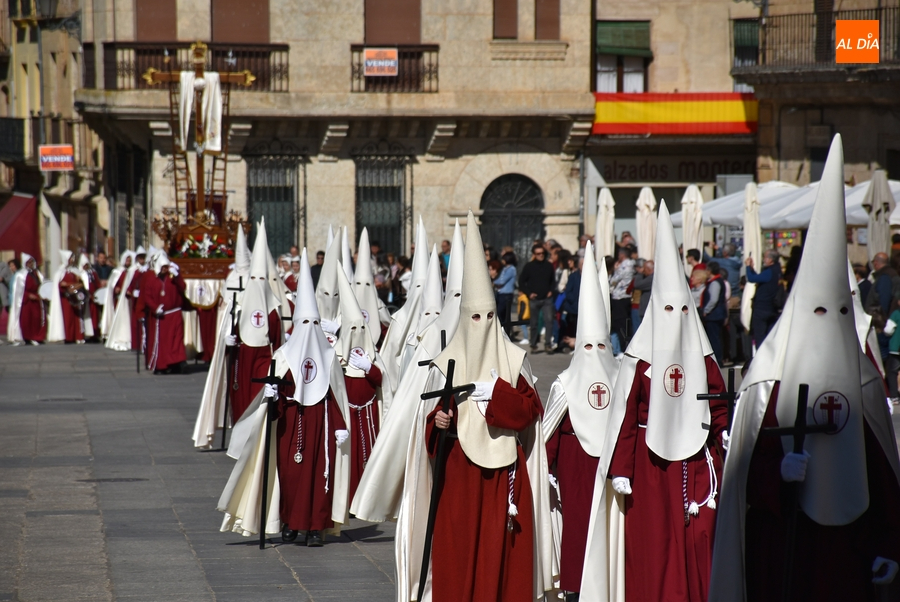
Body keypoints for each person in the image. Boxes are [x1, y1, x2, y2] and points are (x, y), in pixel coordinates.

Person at [710, 135, 900, 602]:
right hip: (784, 546)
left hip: (850, 551)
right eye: (818, 311)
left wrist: (889, 545)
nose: (827, 323)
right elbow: (742, 476)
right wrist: (777, 473)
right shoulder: (767, 379)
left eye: (836, 313)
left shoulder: (863, 381)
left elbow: (883, 473)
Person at [396, 210, 553, 602]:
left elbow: (531, 410)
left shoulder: (515, 360)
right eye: (475, 317)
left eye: (488, 317)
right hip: (459, 472)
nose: (481, 324)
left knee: (502, 555)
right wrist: (441, 420)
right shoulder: (447, 360)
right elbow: (430, 421)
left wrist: (496, 393)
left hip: (505, 474)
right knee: (459, 550)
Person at [606, 202, 727, 602]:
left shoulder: (704, 357)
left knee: (698, 539)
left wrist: (725, 435)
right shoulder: (640, 360)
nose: (674, 316)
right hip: (649, 462)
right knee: (653, 543)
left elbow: (718, 402)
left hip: (696, 460)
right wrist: (621, 468)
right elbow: (624, 418)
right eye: (667, 309)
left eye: (681, 309)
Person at [544, 242, 623, 601]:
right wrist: (547, 464)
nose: (594, 355)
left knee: (611, 526)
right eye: (587, 347)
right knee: (578, 527)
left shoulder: (622, 375)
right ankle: (576, 588)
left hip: (610, 464)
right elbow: (554, 427)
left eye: (600, 347)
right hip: (575, 467)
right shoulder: (565, 382)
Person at [273, 248, 351, 546]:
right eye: (305, 324)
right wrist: (272, 395)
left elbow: (335, 393)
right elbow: (274, 392)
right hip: (291, 422)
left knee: (320, 475)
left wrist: (341, 424)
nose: (310, 330)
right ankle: (291, 522)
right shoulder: (282, 355)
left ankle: (316, 527)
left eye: (314, 324)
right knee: (290, 476)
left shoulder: (329, 356)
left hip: (322, 422)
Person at [336, 265, 388, 501]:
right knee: (349, 455)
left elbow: (381, 381)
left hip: (368, 413)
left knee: (367, 454)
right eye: (352, 329)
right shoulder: (338, 355)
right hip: (347, 412)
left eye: (361, 328)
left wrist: (369, 368)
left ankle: (366, 496)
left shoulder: (372, 355)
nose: (357, 332)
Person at [225, 219, 283, 420]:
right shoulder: (239, 304)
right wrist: (228, 340)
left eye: (261, 280)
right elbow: (230, 329)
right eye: (254, 280)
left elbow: (277, 339)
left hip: (264, 358)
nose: (257, 285)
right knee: (241, 396)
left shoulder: (273, 310)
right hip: (242, 358)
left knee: (258, 398)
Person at [142, 252, 187, 374]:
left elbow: (183, 288)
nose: (165, 269)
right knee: (163, 342)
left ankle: (176, 364)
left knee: (176, 341)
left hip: (175, 314)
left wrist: (177, 277)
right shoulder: (152, 280)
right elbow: (147, 297)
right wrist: (155, 308)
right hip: (161, 317)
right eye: (163, 267)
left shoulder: (173, 278)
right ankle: (161, 365)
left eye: (166, 267)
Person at [519, 243, 556, 354]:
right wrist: (529, 293)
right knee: (534, 323)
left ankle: (548, 344)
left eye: (542, 253)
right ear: (534, 254)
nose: (541, 255)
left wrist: (551, 291)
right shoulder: (529, 266)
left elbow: (553, 281)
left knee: (549, 321)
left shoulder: (549, 266)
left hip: (547, 299)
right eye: (538, 253)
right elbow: (521, 282)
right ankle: (534, 344)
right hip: (534, 299)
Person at [745, 250, 783, 347]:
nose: (763, 259)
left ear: (771, 260)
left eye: (765, 257)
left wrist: (747, 267)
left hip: (762, 308)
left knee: (760, 336)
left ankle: (760, 359)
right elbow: (759, 278)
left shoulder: (770, 271)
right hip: (772, 307)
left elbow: (751, 279)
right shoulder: (777, 270)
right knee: (770, 336)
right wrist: (751, 268)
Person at [49, 250, 86, 344]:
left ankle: (74, 336)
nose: (72, 260)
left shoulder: (72, 271)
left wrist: (75, 284)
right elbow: (59, 284)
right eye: (70, 258)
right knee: (67, 318)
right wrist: (68, 285)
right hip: (64, 298)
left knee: (74, 317)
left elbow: (78, 282)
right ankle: (67, 336)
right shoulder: (60, 272)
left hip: (73, 297)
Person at [14, 253, 46, 345]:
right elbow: (19, 291)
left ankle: (37, 337)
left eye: (32, 262)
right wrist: (27, 295)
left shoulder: (37, 273)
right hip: (26, 301)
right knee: (27, 320)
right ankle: (27, 337)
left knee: (37, 318)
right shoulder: (21, 275)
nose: (31, 264)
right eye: (28, 262)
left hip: (36, 299)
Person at [700, 261, 726, 364]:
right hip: (717, 314)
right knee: (715, 337)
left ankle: (717, 360)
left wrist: (706, 310)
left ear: (709, 271)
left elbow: (713, 299)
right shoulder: (716, 281)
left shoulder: (715, 282)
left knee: (714, 338)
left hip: (714, 315)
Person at [609, 247, 635, 348]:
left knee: (620, 323)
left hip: (620, 296)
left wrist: (615, 270)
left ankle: (623, 346)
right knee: (624, 322)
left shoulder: (624, 265)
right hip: (625, 296)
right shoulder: (631, 264)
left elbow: (614, 280)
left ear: (622, 255)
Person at [865, 252, 900, 317]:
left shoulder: (885, 277)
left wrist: (881, 320)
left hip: (881, 320)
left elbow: (884, 301)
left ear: (875, 263)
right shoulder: (890, 274)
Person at [559, 253, 581, 348]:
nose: (568, 263)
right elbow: (566, 289)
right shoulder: (570, 274)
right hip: (572, 306)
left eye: (571, 261)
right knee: (570, 324)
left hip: (579, 306)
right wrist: (573, 300)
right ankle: (569, 343)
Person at [494, 251, 517, 335]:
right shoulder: (504, 269)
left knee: (502, 314)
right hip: (501, 293)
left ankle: (505, 332)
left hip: (506, 294)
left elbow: (502, 281)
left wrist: (493, 281)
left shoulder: (511, 269)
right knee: (500, 314)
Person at [79, 254, 101, 342]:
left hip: (93, 298)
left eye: (87, 264)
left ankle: (94, 334)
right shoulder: (80, 274)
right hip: (84, 298)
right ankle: (86, 334)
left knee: (95, 317)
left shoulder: (93, 273)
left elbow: (97, 284)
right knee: (85, 317)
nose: (86, 266)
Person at [632, 259, 653, 330]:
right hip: (646, 310)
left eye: (644, 269)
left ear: (648, 269)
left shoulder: (652, 278)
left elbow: (637, 284)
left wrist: (639, 274)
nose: (643, 271)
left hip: (647, 310)